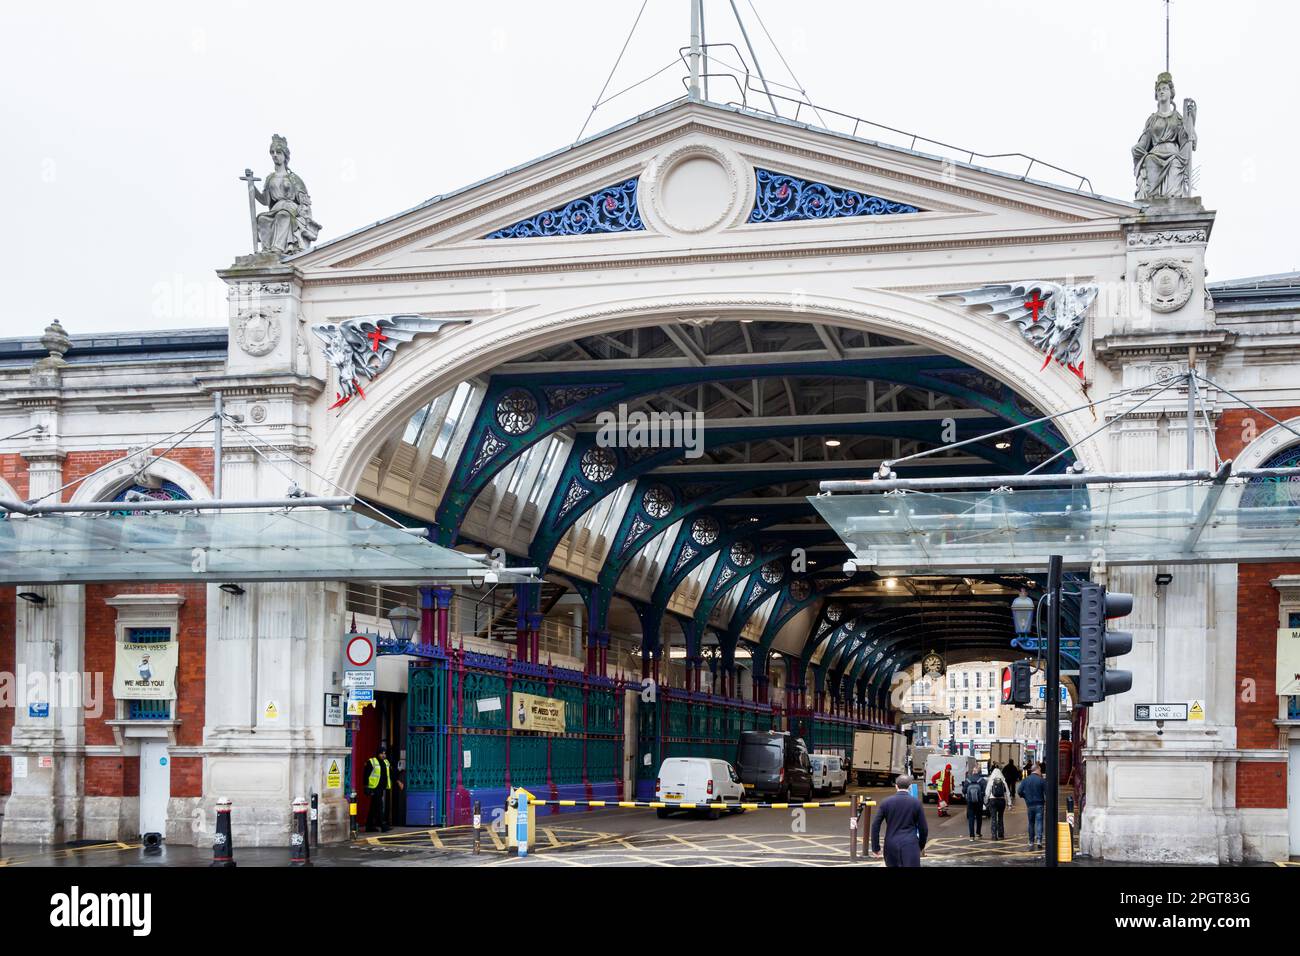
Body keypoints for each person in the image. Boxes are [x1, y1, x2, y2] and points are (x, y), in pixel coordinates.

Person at [871, 774, 928, 867]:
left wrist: (875, 847)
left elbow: (875, 825)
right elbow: (923, 828)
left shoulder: (886, 802)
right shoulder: (916, 803)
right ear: (910, 787)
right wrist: (920, 846)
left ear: (896, 786)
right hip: (910, 844)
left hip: (891, 845)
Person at [365, 744, 402, 833]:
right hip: (374, 788)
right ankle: (383, 825)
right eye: (381, 753)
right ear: (378, 754)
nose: (383, 755)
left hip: (381, 788)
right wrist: (366, 787)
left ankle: (369, 826)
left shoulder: (386, 762)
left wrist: (397, 781)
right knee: (379, 806)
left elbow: (391, 774)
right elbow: (366, 775)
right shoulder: (372, 762)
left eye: (384, 753)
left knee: (374, 807)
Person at [1019, 762, 1047, 850]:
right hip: (1039, 804)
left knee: (1031, 823)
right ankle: (1039, 840)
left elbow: (1019, 791)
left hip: (1030, 805)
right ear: (1037, 769)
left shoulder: (1025, 780)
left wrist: (1025, 797)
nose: (1041, 772)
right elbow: (1047, 792)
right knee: (1039, 822)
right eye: (1040, 770)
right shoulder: (1041, 780)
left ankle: (1031, 841)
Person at [984, 764, 1009, 840]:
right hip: (1001, 801)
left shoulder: (991, 781)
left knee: (993, 818)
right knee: (1000, 817)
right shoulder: (1003, 781)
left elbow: (987, 792)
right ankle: (1001, 834)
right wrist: (1009, 804)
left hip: (993, 801)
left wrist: (985, 801)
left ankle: (994, 836)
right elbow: (1007, 793)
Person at [963, 766, 986, 840]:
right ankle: (978, 833)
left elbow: (963, 791)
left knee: (971, 818)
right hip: (979, 802)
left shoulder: (967, 780)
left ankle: (971, 836)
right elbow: (985, 792)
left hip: (970, 802)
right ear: (979, 772)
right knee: (979, 817)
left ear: (973, 772)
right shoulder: (982, 780)